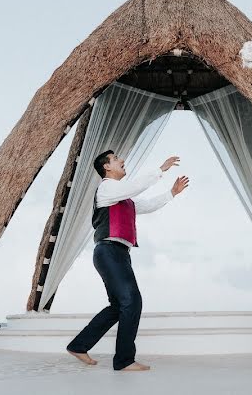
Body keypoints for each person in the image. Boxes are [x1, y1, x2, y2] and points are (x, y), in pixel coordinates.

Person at [66, 150, 189, 371]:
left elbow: (146, 205)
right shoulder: (107, 188)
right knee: (132, 301)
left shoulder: (122, 197)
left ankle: (79, 345)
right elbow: (135, 187)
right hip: (109, 251)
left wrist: (171, 193)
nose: (122, 161)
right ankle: (124, 360)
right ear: (107, 167)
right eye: (116, 160)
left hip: (118, 253)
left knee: (118, 306)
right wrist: (160, 170)